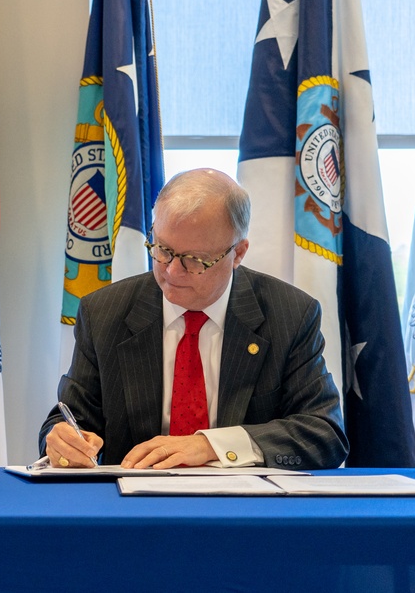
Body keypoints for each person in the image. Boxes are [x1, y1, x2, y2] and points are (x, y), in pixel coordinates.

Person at [40, 169, 348, 470]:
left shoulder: (289, 314)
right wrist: (61, 441)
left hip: (244, 511)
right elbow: (72, 419)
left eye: (194, 259)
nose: (172, 271)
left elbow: (324, 434)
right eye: (162, 249)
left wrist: (209, 445)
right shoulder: (105, 313)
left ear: (238, 253)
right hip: (133, 508)